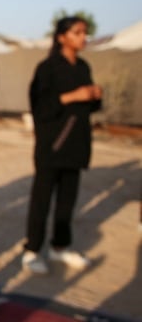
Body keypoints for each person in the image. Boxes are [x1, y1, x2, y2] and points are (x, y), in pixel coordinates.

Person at [21, 16, 102, 274]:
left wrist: (94, 96)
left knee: (68, 200)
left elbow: (90, 108)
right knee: (42, 200)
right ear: (61, 36)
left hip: (76, 145)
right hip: (51, 145)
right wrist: (73, 96)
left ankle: (60, 247)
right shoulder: (47, 68)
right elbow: (40, 106)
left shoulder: (83, 67)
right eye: (77, 32)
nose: (82, 37)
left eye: (84, 33)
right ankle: (32, 250)